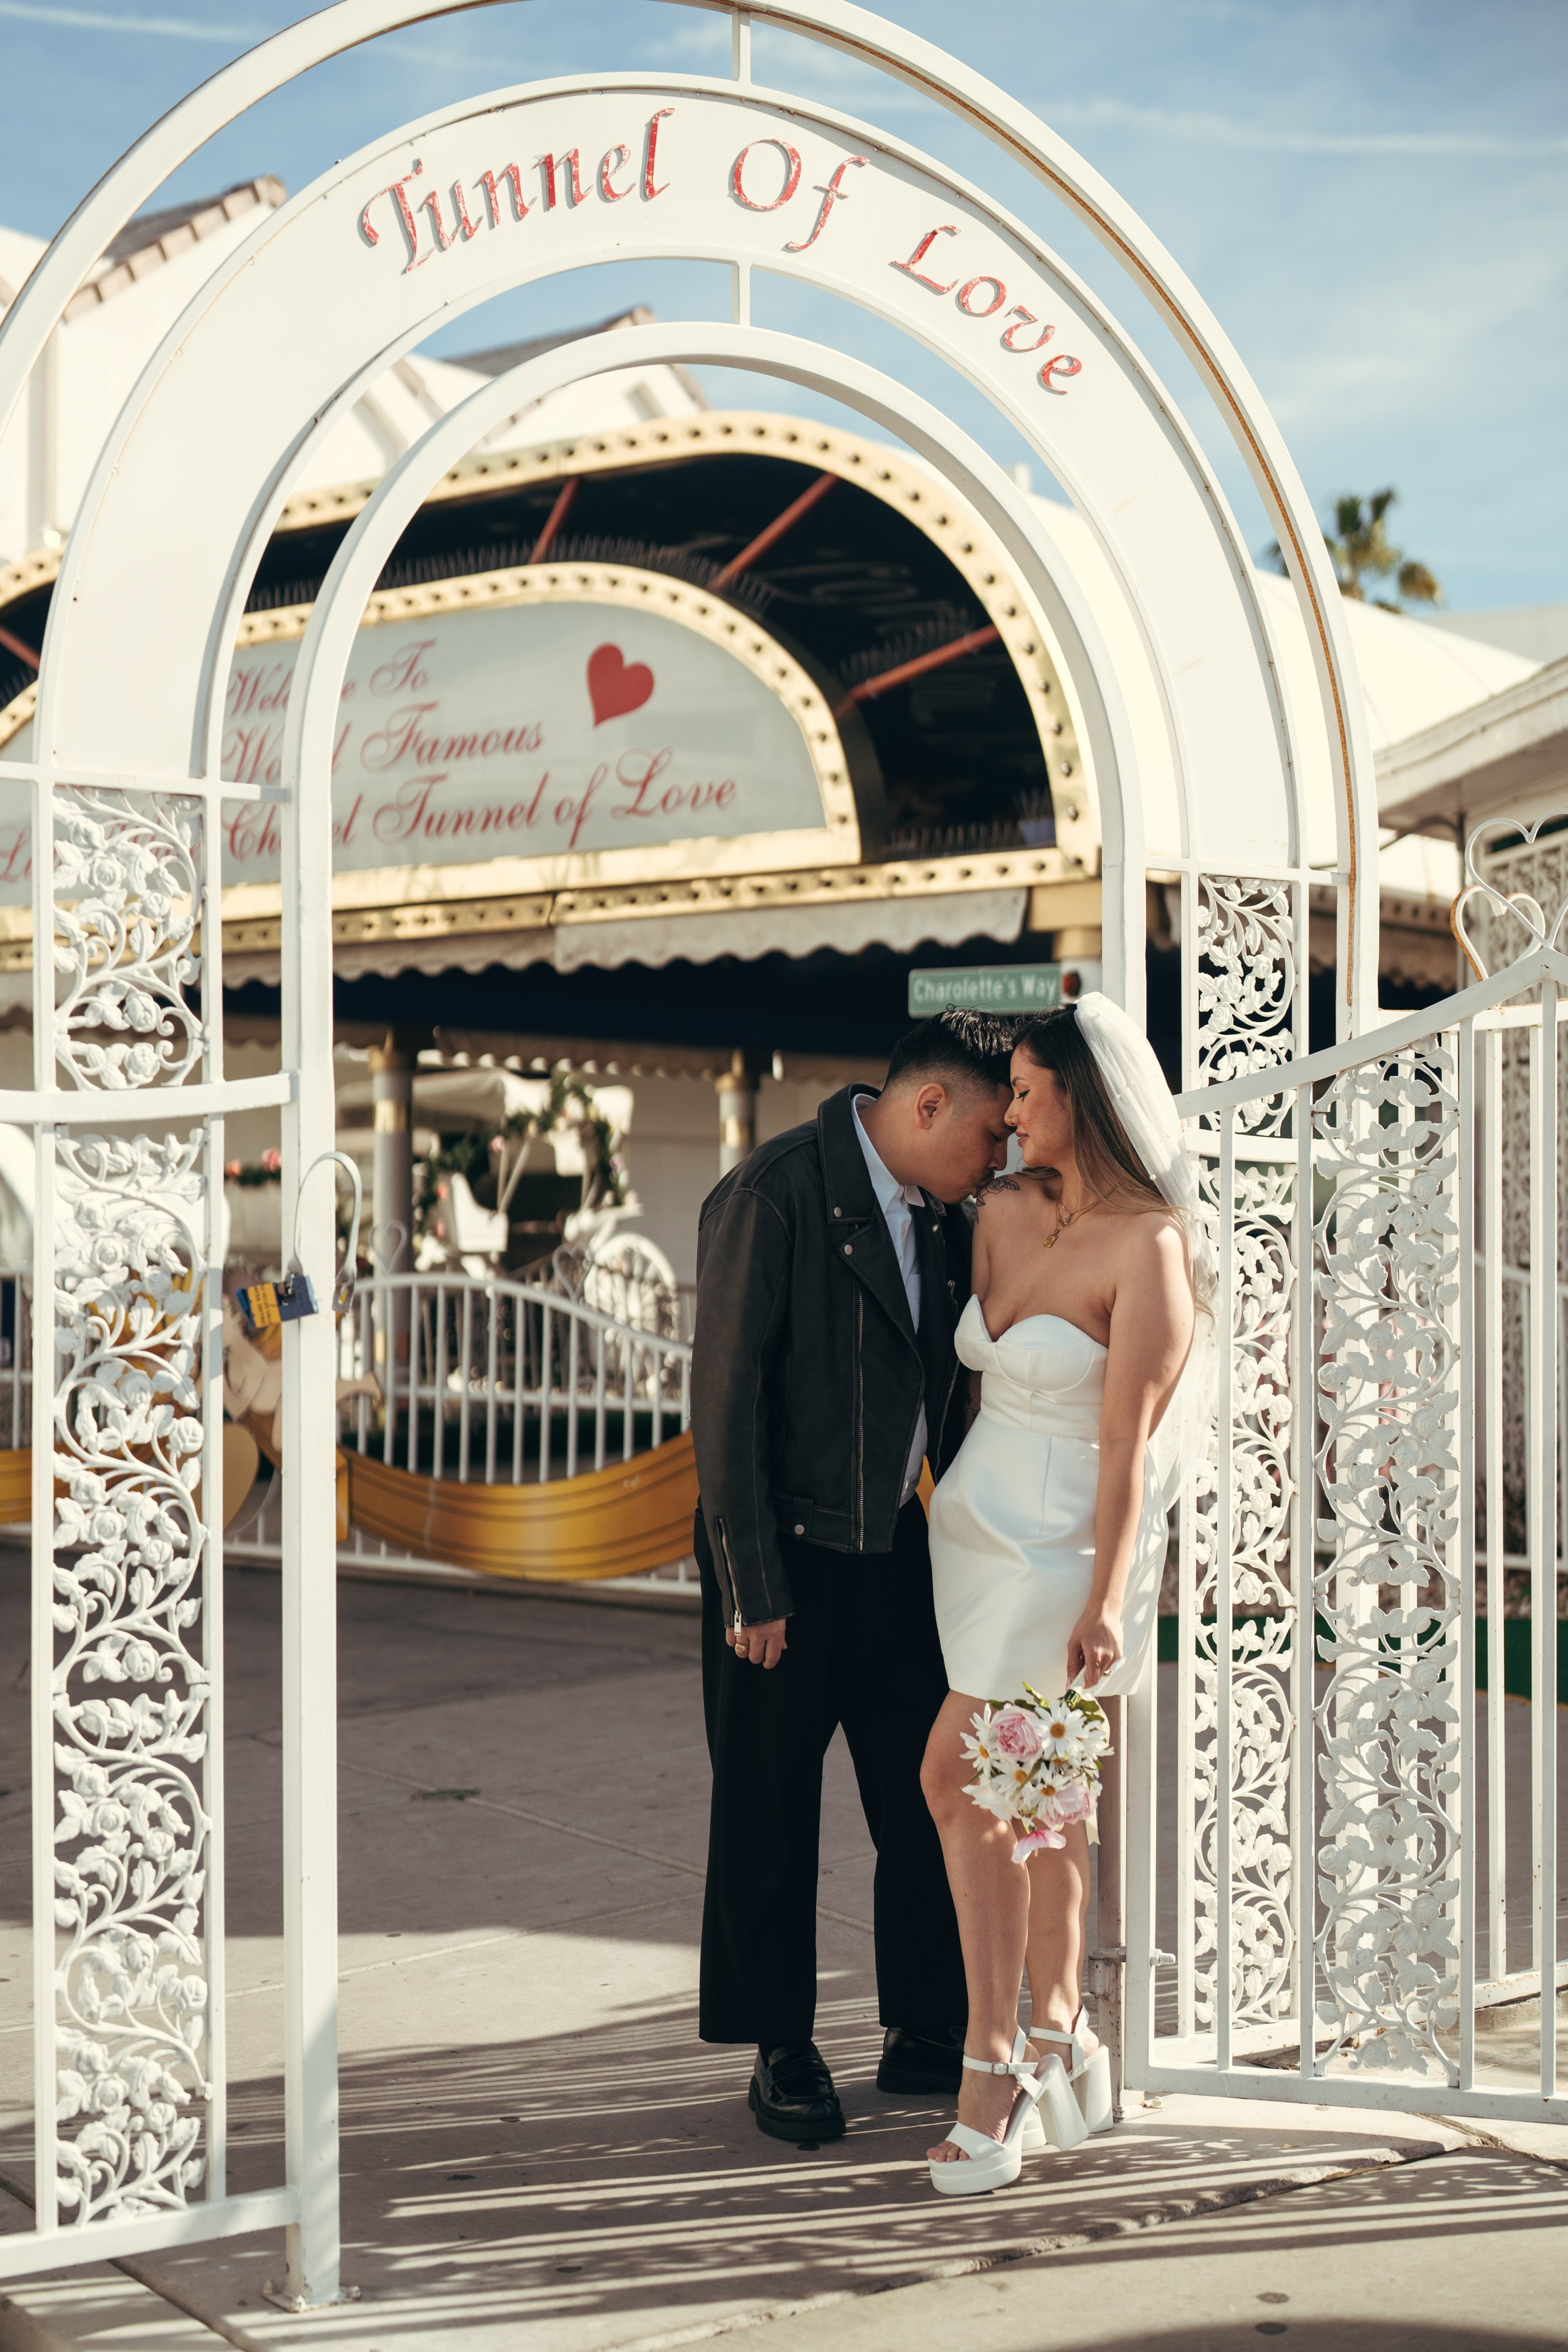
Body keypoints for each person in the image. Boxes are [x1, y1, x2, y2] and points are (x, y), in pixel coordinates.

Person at [690, 1012, 1016, 2142]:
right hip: (786, 1559)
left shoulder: (946, 1221)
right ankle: (779, 2045)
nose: (997, 1158)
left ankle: (925, 2024)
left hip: (904, 1559)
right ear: (928, 1107)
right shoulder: (770, 1194)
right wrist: (750, 1582)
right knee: (768, 1809)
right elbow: (722, 1404)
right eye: (987, 1136)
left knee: (926, 1797)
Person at [919, 996, 1213, 2194]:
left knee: (959, 1780)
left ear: (1082, 1099)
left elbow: (1130, 1446)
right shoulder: (1002, 1211)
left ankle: (995, 2070)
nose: (1011, 1112)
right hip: (974, 1546)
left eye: (1031, 1091)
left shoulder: (1151, 1248)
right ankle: (1059, 2031)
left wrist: (1106, 1597)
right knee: (1039, 1807)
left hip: (1061, 1560)